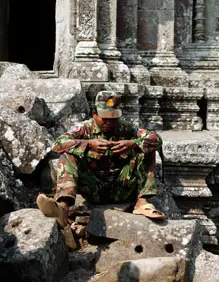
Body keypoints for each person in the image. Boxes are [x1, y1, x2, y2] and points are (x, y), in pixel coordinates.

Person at [37, 91, 164, 247]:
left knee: (147, 148)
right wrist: (88, 144)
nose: (110, 123)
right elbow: (58, 144)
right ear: (94, 114)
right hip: (94, 189)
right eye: (105, 119)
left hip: (122, 187)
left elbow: (156, 139)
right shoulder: (84, 128)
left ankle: (142, 202)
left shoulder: (126, 128)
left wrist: (133, 143)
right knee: (68, 155)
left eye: (114, 118)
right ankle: (62, 208)